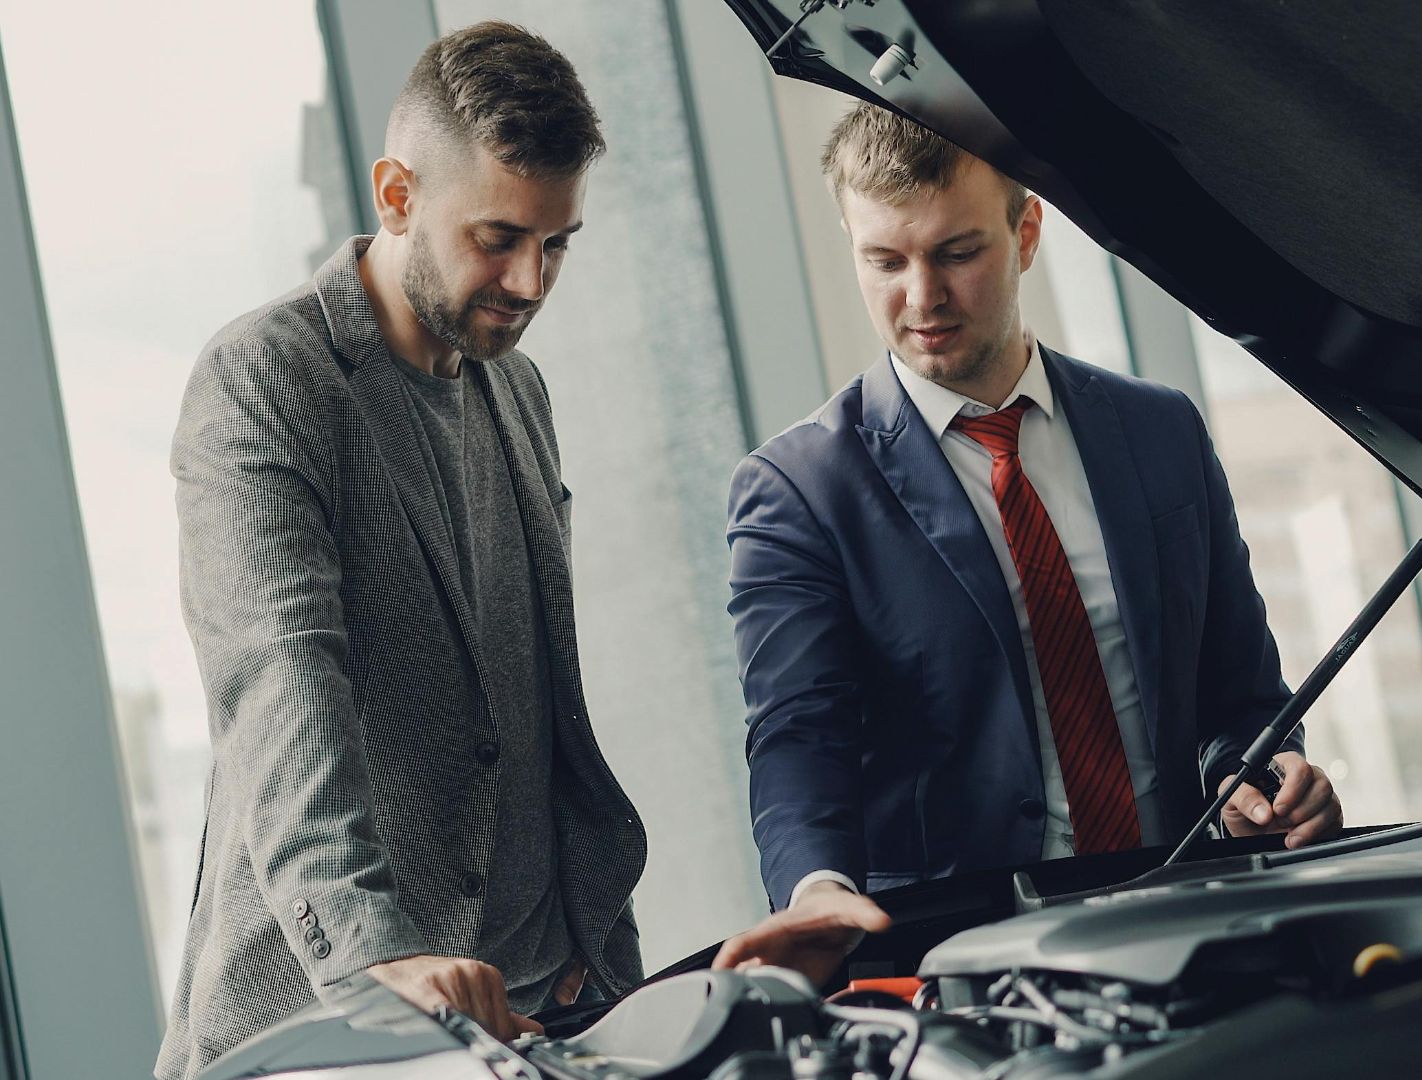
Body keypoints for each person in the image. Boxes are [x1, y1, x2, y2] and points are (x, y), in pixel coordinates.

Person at [160, 23, 879, 1078]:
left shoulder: (517, 390)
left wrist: (608, 972)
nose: (530, 281)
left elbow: (540, 716)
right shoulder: (264, 383)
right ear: (399, 194)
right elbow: (280, 686)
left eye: (557, 243)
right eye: (497, 236)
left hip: (538, 1020)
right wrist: (376, 960)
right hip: (329, 1033)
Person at [725, 105, 1344, 921]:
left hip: (1193, 907)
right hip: (964, 952)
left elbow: (1239, 697)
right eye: (884, 260)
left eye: (957, 252)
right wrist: (816, 891)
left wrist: (1263, 776)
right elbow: (800, 738)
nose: (922, 298)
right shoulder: (797, 490)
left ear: (1025, 233)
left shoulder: (1161, 432)